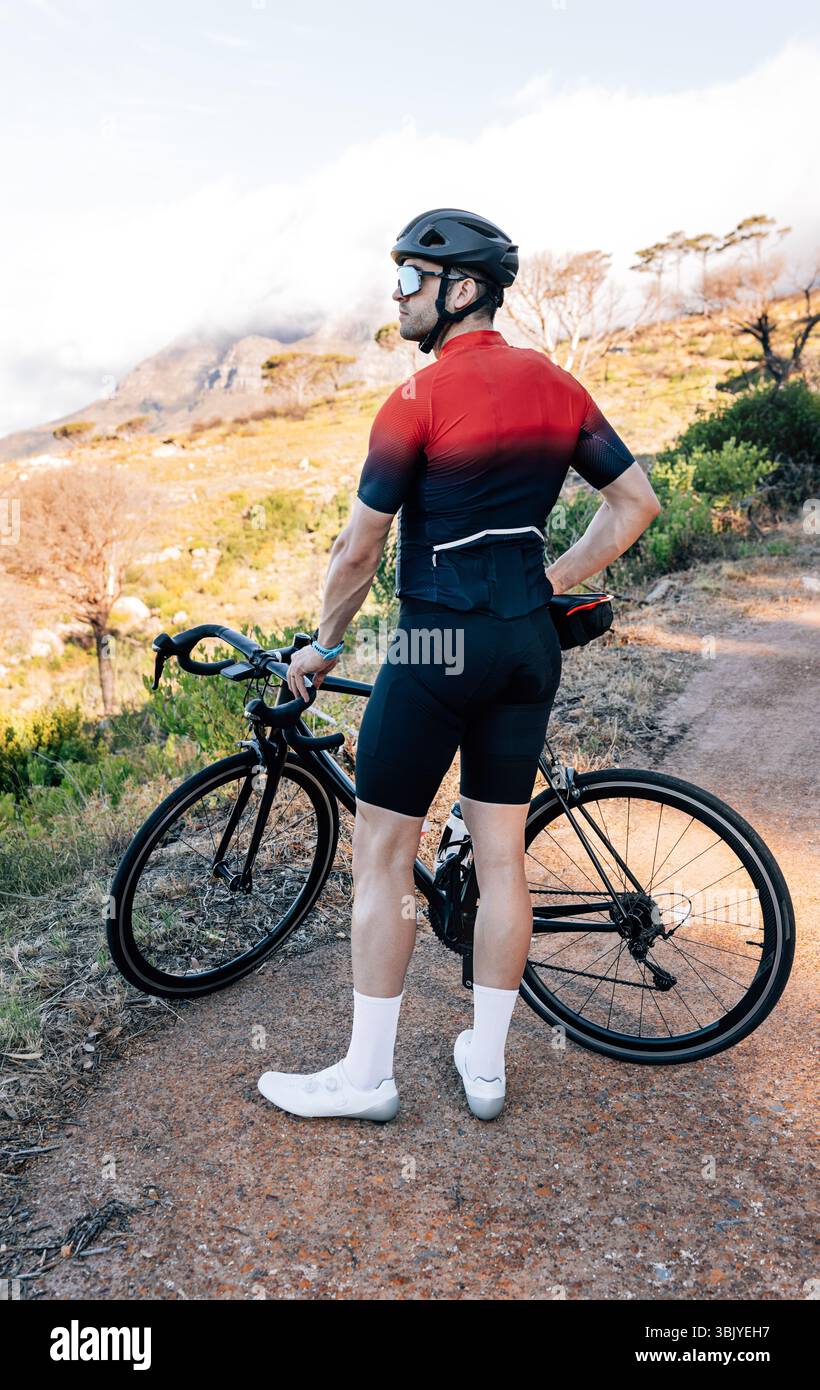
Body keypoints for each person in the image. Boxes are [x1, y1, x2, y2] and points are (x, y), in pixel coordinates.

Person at [258, 208, 661, 1122]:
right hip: (526, 644)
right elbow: (635, 502)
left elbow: (360, 550)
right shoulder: (559, 387)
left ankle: (366, 1079)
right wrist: (550, 579)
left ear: (462, 289)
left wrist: (321, 646)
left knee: (384, 854)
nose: (397, 293)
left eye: (410, 277)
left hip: (437, 642)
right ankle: (485, 1068)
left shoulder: (417, 400)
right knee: (503, 856)